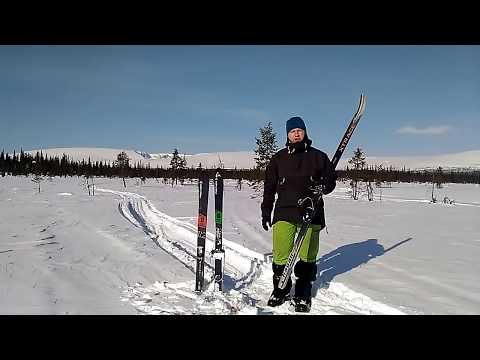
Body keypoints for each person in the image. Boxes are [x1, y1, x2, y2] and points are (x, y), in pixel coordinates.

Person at [261, 116, 337, 312]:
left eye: (299, 130)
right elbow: (269, 187)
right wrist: (266, 211)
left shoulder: (318, 157)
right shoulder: (278, 159)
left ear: (305, 132)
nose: (296, 133)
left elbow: (330, 182)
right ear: (287, 134)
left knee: (308, 255)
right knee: (281, 254)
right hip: (284, 212)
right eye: (292, 130)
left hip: (311, 211)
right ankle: (281, 289)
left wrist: (325, 185)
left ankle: (303, 290)